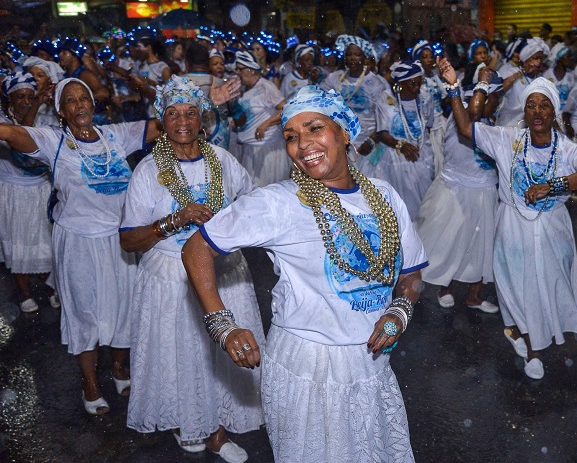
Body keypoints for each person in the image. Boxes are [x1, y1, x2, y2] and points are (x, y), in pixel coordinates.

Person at [182, 85, 427, 461]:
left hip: (371, 363)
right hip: (307, 368)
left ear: (345, 132)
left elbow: (410, 276)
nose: (303, 144)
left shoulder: (385, 196)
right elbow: (196, 246)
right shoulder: (278, 203)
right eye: (291, 137)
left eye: (314, 128)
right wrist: (222, 324)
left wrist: (398, 312)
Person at [120, 76, 262, 462]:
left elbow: (255, 209)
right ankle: (196, 424)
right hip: (171, 277)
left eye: (190, 112)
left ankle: (214, 429)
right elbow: (129, 240)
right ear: (162, 122)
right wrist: (174, 220)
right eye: (172, 113)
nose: (182, 120)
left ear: (202, 119)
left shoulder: (224, 161)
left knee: (219, 355)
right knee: (186, 356)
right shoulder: (148, 171)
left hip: (226, 274)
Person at [0, 77, 162, 414]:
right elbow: (11, 134)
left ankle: (119, 368)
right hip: (76, 240)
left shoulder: (116, 135)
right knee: (83, 311)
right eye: (70, 101)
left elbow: (169, 122)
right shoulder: (53, 141)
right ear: (61, 111)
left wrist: (176, 97)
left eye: (84, 98)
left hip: (119, 240)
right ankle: (89, 383)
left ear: (92, 103)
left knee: (123, 307)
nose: (79, 105)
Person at [439, 58, 577, 379]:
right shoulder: (506, 140)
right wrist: (454, 88)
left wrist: (553, 186)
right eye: (531, 106)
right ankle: (534, 350)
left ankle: (523, 335)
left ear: (553, 112)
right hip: (513, 224)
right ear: (524, 112)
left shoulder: (566, 148)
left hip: (553, 227)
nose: (537, 112)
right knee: (520, 286)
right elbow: (465, 128)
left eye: (544, 106)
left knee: (546, 287)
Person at [414, 63, 501, 314]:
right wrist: (481, 83)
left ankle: (474, 296)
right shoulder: (462, 115)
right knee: (454, 242)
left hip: (484, 189)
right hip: (457, 189)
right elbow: (472, 118)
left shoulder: (491, 121)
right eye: (494, 97)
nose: (498, 102)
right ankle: (446, 288)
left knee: (483, 244)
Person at [0, 72, 57, 314]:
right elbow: (21, 143)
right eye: (20, 96)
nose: (25, 101)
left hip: (41, 189)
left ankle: (53, 287)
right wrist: (35, 106)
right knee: (18, 241)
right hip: (14, 191)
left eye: (29, 97)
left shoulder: (45, 120)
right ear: (9, 98)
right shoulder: (3, 123)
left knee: (47, 243)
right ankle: (24, 293)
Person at [358, 60, 434, 219]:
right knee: (399, 205)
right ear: (401, 83)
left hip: (421, 155)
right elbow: (382, 132)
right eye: (413, 83)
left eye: (419, 82)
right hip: (393, 155)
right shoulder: (385, 98)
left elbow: (428, 126)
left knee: (424, 205)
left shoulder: (425, 97)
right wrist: (401, 145)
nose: (417, 87)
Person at [320, 35, 387, 158]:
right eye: (349, 55)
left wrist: (371, 141)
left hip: (366, 145)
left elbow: (384, 118)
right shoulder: (334, 78)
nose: (352, 58)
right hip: (341, 143)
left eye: (357, 55)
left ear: (364, 57)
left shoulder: (376, 83)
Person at [231, 51, 287, 187]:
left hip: (268, 150)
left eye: (240, 69)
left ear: (250, 69)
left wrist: (266, 124)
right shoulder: (243, 89)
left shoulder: (266, 87)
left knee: (267, 190)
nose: (237, 72)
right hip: (250, 148)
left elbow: (285, 109)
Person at [411, 40, 447, 177]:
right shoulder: (416, 79)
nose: (428, 60)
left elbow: (444, 96)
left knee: (443, 158)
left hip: (441, 123)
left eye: (430, 56)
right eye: (424, 57)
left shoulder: (435, 76)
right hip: (427, 126)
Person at [495, 38, 549, 127]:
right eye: (536, 58)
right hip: (509, 124)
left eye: (541, 59)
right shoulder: (512, 72)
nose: (539, 61)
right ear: (526, 58)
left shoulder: (540, 78)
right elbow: (501, 89)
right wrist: (523, 72)